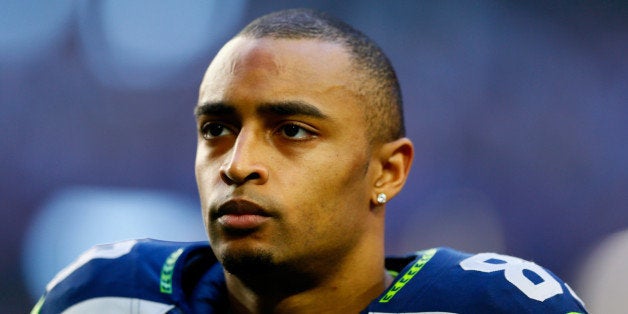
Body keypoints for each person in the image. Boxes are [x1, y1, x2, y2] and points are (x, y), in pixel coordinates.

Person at [32, 8, 587, 314]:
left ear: (387, 172)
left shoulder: (495, 308)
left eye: (292, 130)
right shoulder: (104, 295)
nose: (238, 163)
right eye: (217, 130)